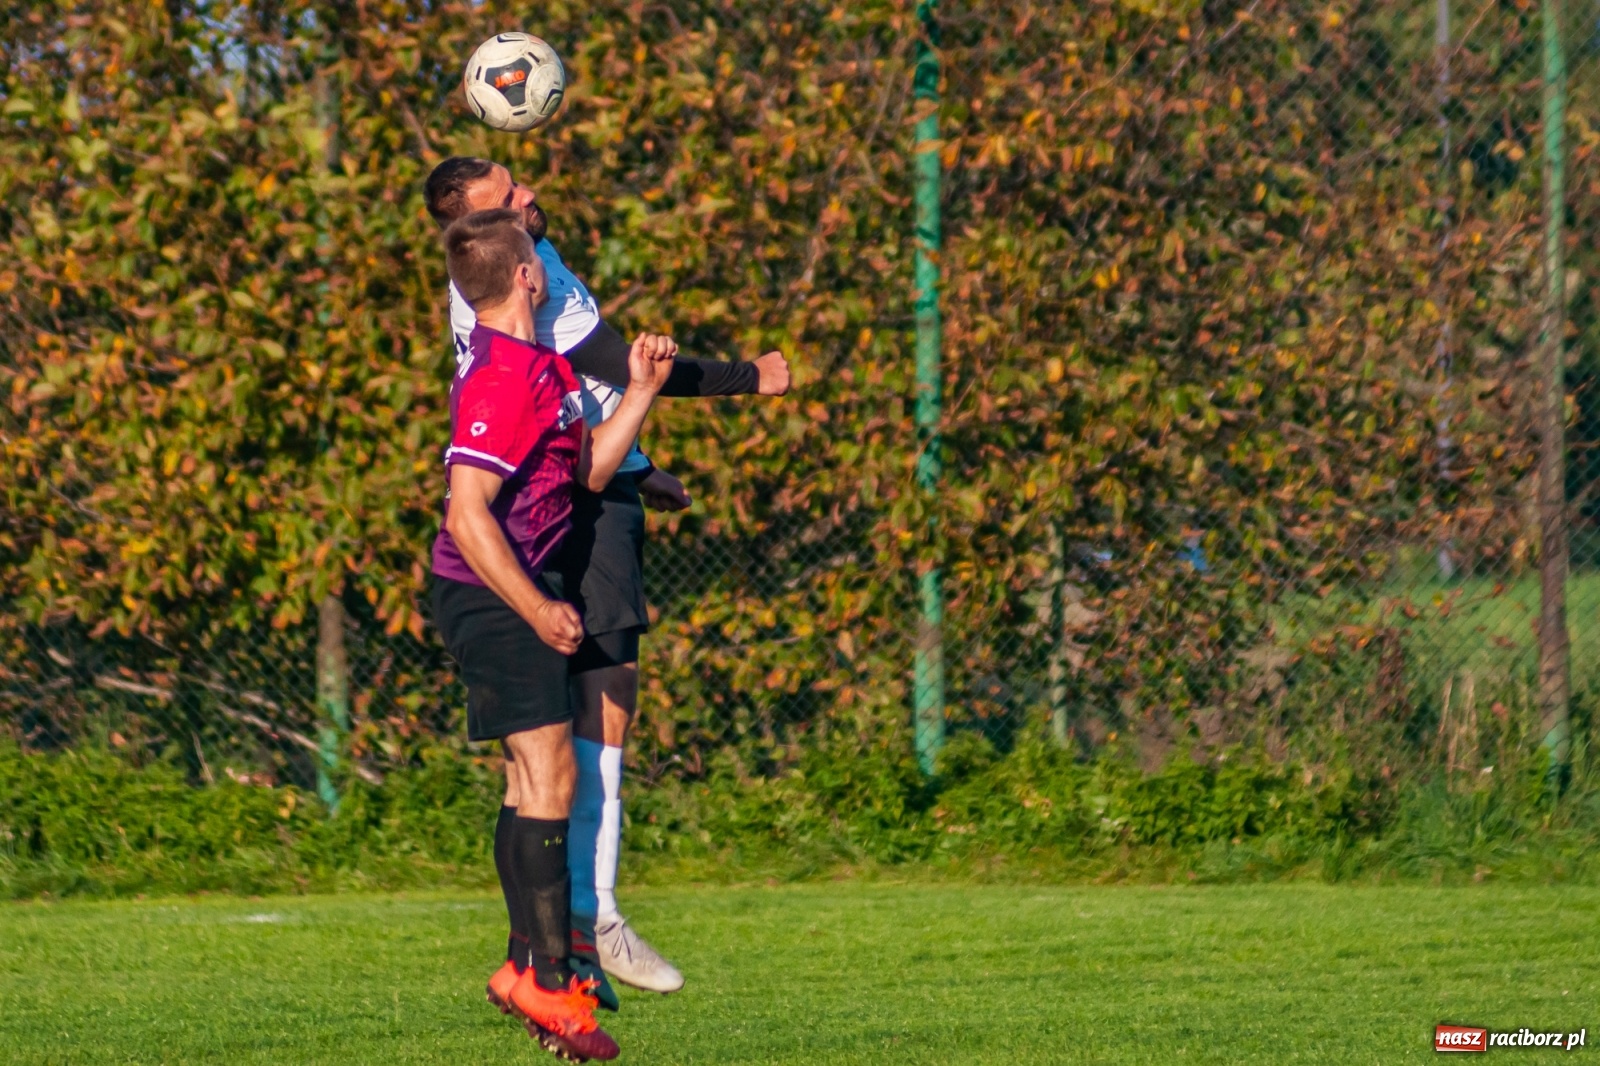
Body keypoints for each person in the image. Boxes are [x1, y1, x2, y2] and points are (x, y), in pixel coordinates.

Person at [424, 156, 790, 998]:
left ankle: (557, 946)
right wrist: (753, 377)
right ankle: (581, 930)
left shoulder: (527, 280)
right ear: (483, 232)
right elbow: (615, 362)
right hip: (531, 535)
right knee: (575, 729)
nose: (527, 196)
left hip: (582, 485)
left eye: (518, 187)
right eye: (506, 197)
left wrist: (638, 463)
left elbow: (580, 409)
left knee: (572, 732)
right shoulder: (514, 293)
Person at [429, 207, 675, 1061]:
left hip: (515, 589)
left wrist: (639, 391)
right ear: (528, 277)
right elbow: (466, 514)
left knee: (531, 777)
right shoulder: (500, 374)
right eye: (540, 259)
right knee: (549, 770)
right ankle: (549, 982)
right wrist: (535, 607)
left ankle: (524, 968)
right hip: (492, 593)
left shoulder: (539, 366)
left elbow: (587, 473)